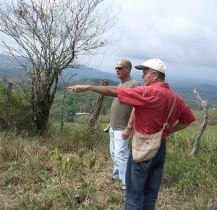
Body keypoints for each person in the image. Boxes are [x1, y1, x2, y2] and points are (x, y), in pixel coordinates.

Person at [68, 58, 195, 210]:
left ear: (154, 75)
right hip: (160, 148)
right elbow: (188, 120)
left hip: (142, 149)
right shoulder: (175, 98)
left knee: (134, 196)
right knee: (150, 195)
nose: (142, 76)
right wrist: (167, 131)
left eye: (145, 73)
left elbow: (115, 91)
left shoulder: (149, 92)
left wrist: (89, 87)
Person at [104, 59, 137, 192]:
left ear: (128, 69)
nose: (117, 70)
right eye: (116, 68)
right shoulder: (120, 85)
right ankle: (117, 176)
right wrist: (110, 123)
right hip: (114, 127)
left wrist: (129, 127)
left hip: (122, 128)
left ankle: (126, 185)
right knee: (114, 153)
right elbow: (119, 107)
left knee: (121, 155)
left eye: (120, 68)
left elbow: (136, 108)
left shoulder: (133, 84)